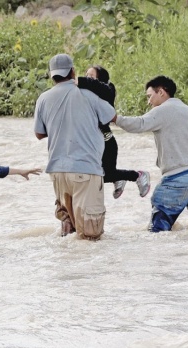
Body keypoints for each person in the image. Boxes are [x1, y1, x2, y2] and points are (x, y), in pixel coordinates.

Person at [112, 75, 188, 232]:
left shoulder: (162, 110)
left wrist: (115, 119)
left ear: (162, 92)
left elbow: (139, 124)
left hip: (177, 179)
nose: (149, 101)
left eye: (150, 96)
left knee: (157, 233)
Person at [33, 53, 116, 240]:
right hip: (85, 170)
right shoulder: (88, 95)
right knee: (90, 237)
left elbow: (39, 133)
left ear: (52, 75)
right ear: (72, 71)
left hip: (57, 172)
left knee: (68, 229)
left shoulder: (43, 99)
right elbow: (111, 116)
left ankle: (68, 269)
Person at [76, 65, 150, 199]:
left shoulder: (107, 91)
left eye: (91, 76)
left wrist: (78, 80)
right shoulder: (86, 94)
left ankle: (138, 175)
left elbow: (98, 86)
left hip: (107, 143)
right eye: (86, 75)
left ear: (101, 79)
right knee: (92, 176)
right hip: (96, 142)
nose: (87, 79)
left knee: (100, 176)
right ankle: (119, 178)